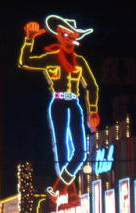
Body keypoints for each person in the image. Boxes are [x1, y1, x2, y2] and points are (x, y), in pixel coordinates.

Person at [19, 16, 100, 198]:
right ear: (59, 36)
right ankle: (68, 193)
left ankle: (57, 189)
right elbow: (25, 61)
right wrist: (29, 38)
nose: (69, 38)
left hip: (75, 104)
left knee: (80, 152)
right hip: (58, 105)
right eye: (65, 34)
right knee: (62, 151)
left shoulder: (80, 61)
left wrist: (93, 110)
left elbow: (92, 86)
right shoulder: (51, 58)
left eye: (73, 35)